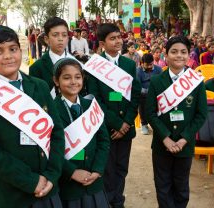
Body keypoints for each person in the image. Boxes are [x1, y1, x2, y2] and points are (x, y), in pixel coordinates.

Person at [0, 25, 65, 208]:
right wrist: (30, 181)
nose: (8, 56)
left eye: (13, 49)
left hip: (48, 189)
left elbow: (56, 132)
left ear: (21, 50)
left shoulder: (40, 86)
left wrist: (51, 175)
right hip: (10, 195)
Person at [145, 36, 208, 208]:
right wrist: (165, 137)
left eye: (183, 52)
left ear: (189, 55)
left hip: (184, 145)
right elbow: (150, 112)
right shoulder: (157, 80)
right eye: (174, 52)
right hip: (161, 144)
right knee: (162, 186)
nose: (179, 56)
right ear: (166, 54)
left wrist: (184, 138)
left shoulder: (195, 81)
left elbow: (201, 114)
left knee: (181, 187)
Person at [87, 23, 141, 208]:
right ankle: (107, 202)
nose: (118, 41)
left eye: (119, 37)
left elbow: (135, 95)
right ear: (102, 43)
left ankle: (118, 201)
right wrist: (116, 124)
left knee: (121, 168)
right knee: (107, 170)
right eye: (113, 38)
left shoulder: (129, 64)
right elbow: (95, 99)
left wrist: (126, 122)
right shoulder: (94, 66)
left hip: (126, 128)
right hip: (106, 128)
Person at [52, 58, 110, 208]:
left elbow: (104, 141)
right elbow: (50, 150)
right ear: (56, 81)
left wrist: (97, 170)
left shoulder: (91, 106)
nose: (73, 82)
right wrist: (72, 172)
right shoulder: (51, 110)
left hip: (94, 182)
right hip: (68, 186)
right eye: (66, 77)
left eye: (77, 77)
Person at [29, 17, 75, 91]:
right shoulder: (36, 68)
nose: (60, 39)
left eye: (64, 35)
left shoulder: (76, 63)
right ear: (46, 39)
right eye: (55, 35)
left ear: (68, 38)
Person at [136, 53, 162, 135]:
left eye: (151, 64)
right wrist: (150, 92)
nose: (150, 67)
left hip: (157, 94)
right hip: (144, 95)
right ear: (142, 63)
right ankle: (144, 124)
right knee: (142, 103)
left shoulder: (158, 69)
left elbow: (162, 82)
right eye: (147, 65)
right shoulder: (138, 71)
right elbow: (138, 87)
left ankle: (156, 124)